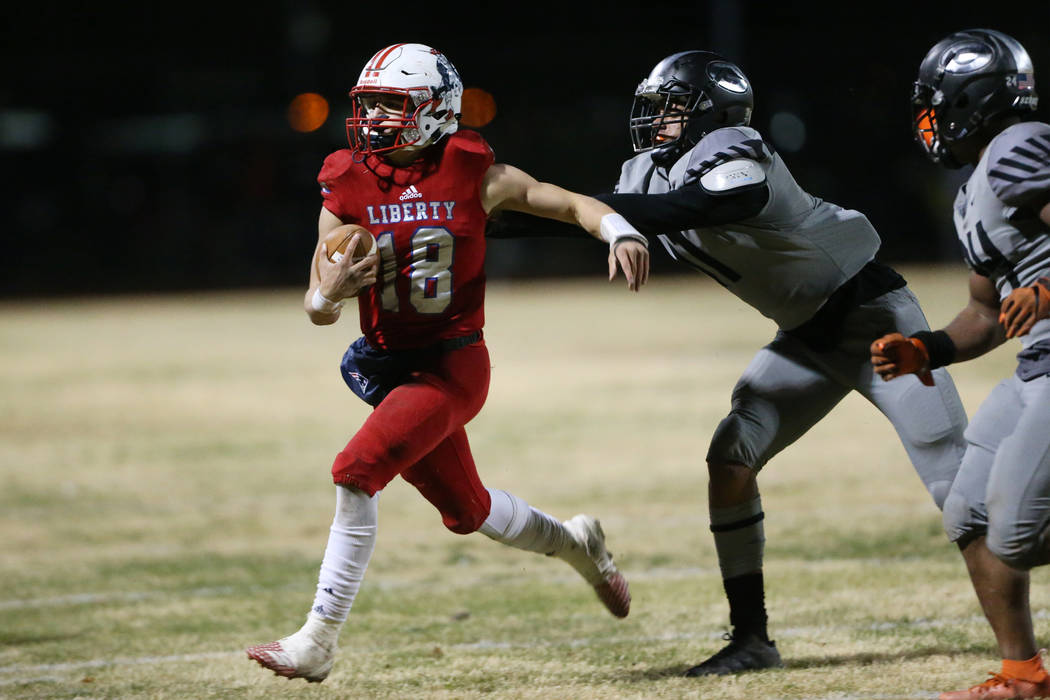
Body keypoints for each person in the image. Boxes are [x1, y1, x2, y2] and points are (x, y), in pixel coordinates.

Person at [494, 49, 977, 676]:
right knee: (731, 458)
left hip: (874, 321)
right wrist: (486, 225)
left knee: (966, 499)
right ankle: (752, 640)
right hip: (805, 335)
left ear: (710, 113)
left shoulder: (736, 152)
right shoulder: (648, 170)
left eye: (670, 108)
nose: (656, 120)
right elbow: (588, 219)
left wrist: (597, 216)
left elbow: (700, 207)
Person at [244, 43, 649, 683]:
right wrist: (330, 293)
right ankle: (577, 544)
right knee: (470, 512)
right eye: (368, 104)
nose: (374, 118)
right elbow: (316, 306)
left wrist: (619, 230)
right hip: (387, 366)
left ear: (436, 110)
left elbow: (566, 201)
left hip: (453, 365)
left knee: (356, 469)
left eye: (391, 104)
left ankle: (318, 640)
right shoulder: (347, 179)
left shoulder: (472, 171)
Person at [871, 28, 1050, 700]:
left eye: (936, 104)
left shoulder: (1019, 146)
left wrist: (1047, 292)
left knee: (1021, 532)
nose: (930, 120)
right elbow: (983, 312)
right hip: (1038, 363)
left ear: (974, 98)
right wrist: (927, 351)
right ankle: (1023, 673)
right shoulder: (975, 184)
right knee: (969, 514)